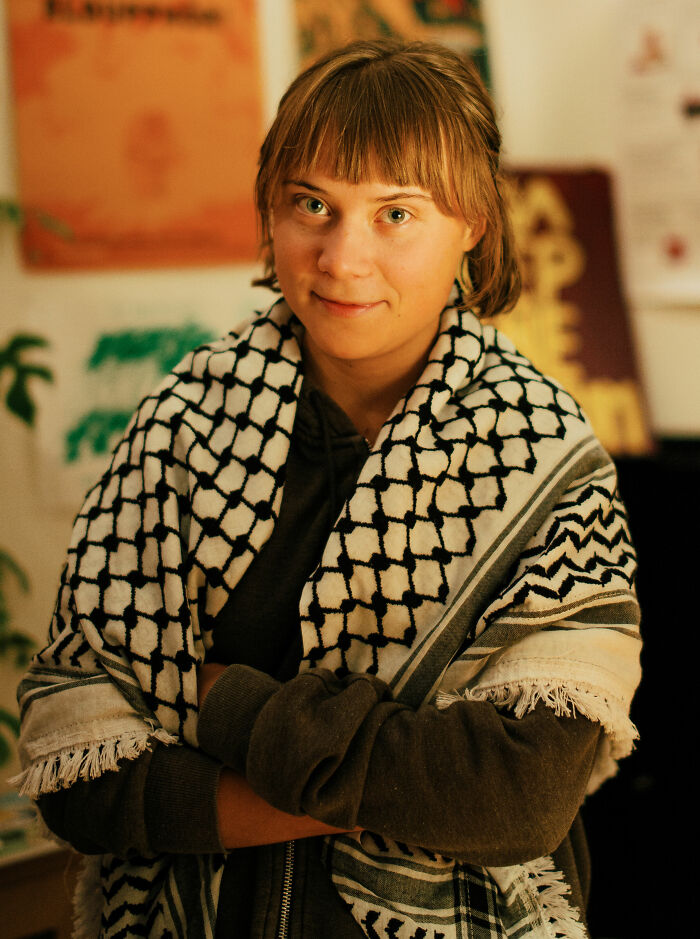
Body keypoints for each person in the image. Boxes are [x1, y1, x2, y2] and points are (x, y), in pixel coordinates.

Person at [14, 39, 641, 939]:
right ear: (271, 210)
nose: (343, 258)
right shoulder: (179, 430)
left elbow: (519, 798)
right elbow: (82, 775)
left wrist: (222, 702)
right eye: (313, 204)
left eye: (396, 214)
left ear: (471, 222)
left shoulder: (543, 456)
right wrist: (402, 787)